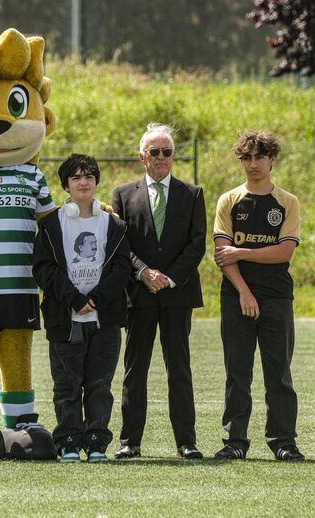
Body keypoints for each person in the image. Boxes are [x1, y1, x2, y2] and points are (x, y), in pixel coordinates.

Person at [110, 123, 206, 460]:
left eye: (167, 151)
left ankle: (186, 442)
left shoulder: (192, 194)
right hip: (139, 295)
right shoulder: (123, 194)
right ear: (142, 157)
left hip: (178, 294)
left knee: (179, 369)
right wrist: (142, 272)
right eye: (155, 151)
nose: (161, 157)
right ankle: (129, 441)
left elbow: (197, 244)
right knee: (135, 370)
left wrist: (169, 277)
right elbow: (120, 242)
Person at [212, 130, 304, 461]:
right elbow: (222, 255)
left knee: (278, 372)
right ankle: (235, 441)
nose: (253, 164)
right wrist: (244, 292)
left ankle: (283, 442)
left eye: (259, 157)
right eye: (247, 158)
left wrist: (241, 251)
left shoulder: (287, 202)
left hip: (276, 296)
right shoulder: (228, 200)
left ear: (272, 160)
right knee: (237, 373)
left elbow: (284, 253)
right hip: (236, 296)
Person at [33, 153, 131, 463]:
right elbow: (43, 268)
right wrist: (74, 298)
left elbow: (121, 268)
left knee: (100, 385)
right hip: (64, 318)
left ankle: (97, 442)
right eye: (75, 177)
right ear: (66, 186)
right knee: (67, 385)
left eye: (88, 176)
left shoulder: (114, 224)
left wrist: (97, 299)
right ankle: (69, 443)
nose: (83, 182)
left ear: (96, 181)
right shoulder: (51, 225)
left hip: (105, 319)